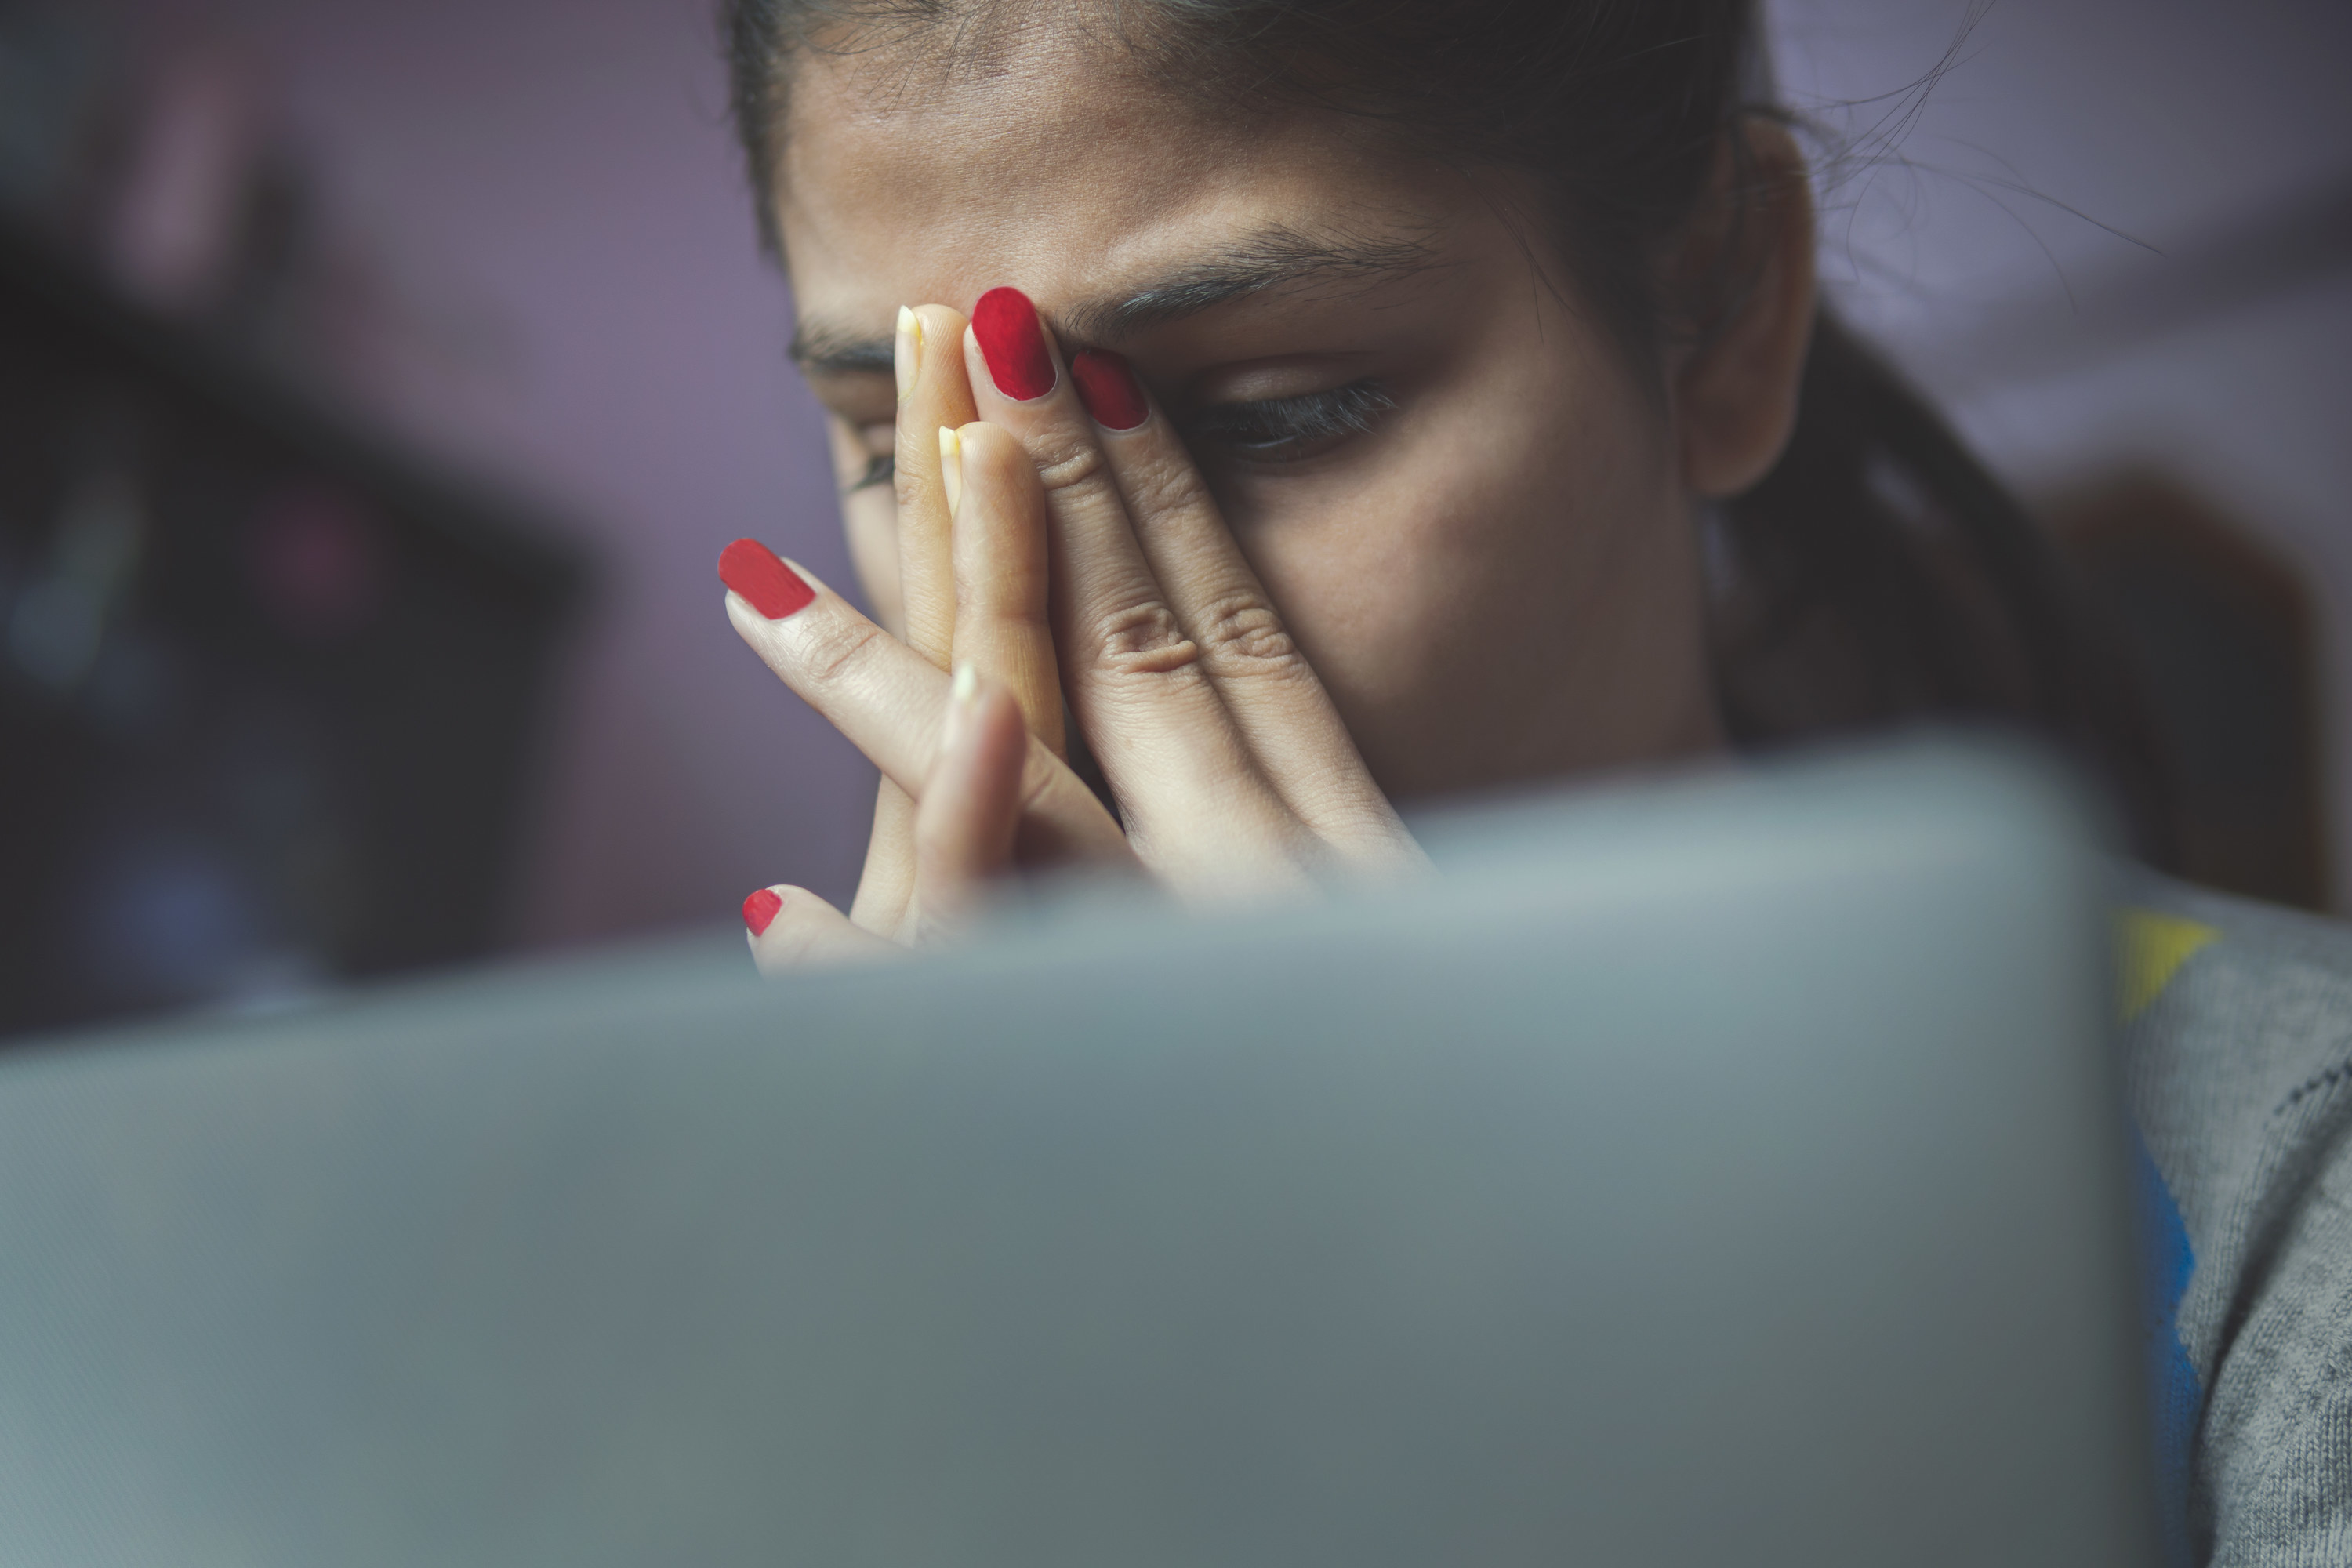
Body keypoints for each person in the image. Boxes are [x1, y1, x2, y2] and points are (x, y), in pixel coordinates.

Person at [708, 2, 2351, 1561]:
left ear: (1725, 306)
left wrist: (1470, 1375)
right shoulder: (784, 1266)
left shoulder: (2287, 1176)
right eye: (895, 446)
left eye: (1284, 412)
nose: (1047, 618)